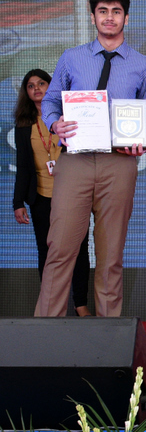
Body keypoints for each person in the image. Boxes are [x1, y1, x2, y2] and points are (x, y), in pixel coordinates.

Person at [35, 0, 146, 318]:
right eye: (103, 11)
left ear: (126, 18)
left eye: (116, 11)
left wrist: (144, 138)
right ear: (93, 17)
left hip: (119, 162)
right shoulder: (71, 57)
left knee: (111, 254)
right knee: (60, 247)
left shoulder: (142, 64)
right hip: (74, 160)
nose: (109, 17)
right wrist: (54, 123)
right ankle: (44, 330)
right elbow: (51, 100)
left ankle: (109, 334)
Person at [13, 70, 91, 317]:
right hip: (41, 197)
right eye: (30, 86)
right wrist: (17, 202)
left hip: (73, 193)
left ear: (51, 87)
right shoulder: (23, 125)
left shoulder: (68, 117)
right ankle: (51, 307)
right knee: (46, 252)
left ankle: (80, 304)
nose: (36, 88)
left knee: (79, 250)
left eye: (41, 83)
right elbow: (23, 166)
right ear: (26, 93)